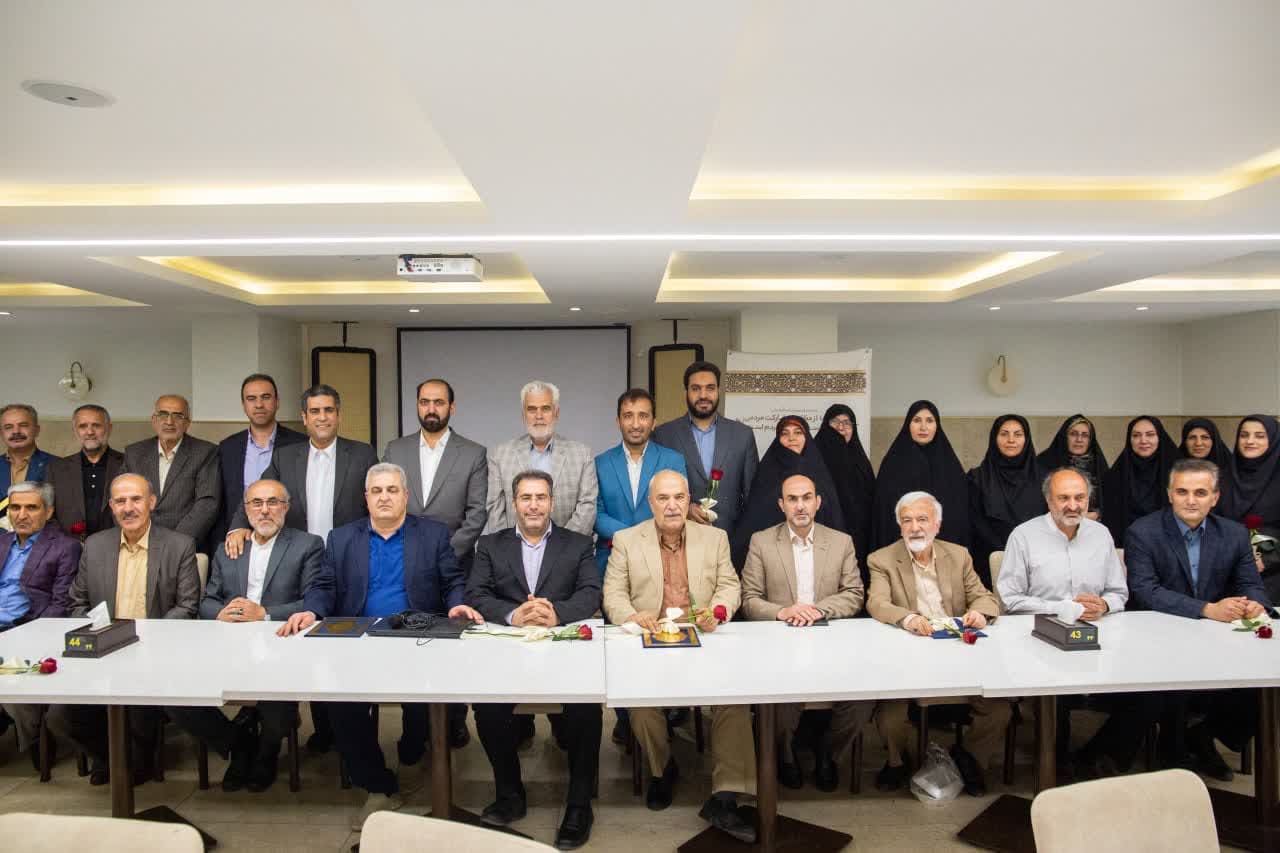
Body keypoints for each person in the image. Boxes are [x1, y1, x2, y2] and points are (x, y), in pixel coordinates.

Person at [276, 463, 483, 831]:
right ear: (366, 498)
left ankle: (412, 752)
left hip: (416, 637)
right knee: (341, 703)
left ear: (405, 496)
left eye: (392, 490)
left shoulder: (433, 535)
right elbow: (324, 584)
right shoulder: (342, 538)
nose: (384, 497)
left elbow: (452, 580)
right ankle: (377, 784)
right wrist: (312, 610)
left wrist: (456, 605)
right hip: (358, 639)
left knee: (425, 705)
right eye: (377, 491)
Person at [603, 469, 758, 844]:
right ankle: (663, 768)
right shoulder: (626, 540)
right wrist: (631, 616)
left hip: (704, 638)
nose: (672, 506)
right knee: (639, 705)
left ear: (689, 500)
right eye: (663, 498)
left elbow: (729, 586)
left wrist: (717, 612)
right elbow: (613, 594)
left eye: (679, 497)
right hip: (651, 638)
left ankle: (726, 794)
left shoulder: (715, 538)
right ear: (650, 503)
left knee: (734, 700)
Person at [223, 384, 379, 753]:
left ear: (338, 415)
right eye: (315, 411)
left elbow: (375, 501)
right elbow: (258, 492)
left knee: (342, 644)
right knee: (311, 640)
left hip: (348, 562)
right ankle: (322, 729)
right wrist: (237, 526)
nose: (322, 417)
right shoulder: (286, 455)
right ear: (304, 417)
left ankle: (347, 730)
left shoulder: (362, 454)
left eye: (329, 410)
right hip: (301, 559)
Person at [466, 470, 601, 849]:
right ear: (514, 503)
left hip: (563, 651)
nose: (534, 505)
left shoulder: (578, 544)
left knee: (586, 709)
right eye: (526, 498)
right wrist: (513, 615)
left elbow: (591, 592)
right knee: (487, 709)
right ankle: (510, 794)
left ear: (552, 502)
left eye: (541, 497)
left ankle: (579, 805)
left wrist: (556, 614)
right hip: (509, 652)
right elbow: (476, 593)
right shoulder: (490, 545)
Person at [167, 479, 325, 793]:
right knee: (175, 694)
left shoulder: (307, 545)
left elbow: (313, 602)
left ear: (286, 507)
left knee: (277, 702)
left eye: (273, 502)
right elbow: (207, 601)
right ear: (246, 508)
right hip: (229, 646)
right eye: (256, 503)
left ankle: (266, 752)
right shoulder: (228, 548)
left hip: (281, 645)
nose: (264, 510)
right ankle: (238, 743)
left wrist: (263, 613)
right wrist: (220, 612)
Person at [47, 473, 200, 785]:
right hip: (103, 650)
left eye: (136, 499)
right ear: (111, 506)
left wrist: (145, 640)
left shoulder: (179, 545)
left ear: (152, 502)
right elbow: (77, 601)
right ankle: (110, 756)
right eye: (120, 501)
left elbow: (187, 607)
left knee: (138, 708)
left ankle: (134, 762)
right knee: (60, 717)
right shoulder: (95, 545)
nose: (128, 508)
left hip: (154, 653)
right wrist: (100, 634)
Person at [1125, 459, 1272, 781]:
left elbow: (1251, 584)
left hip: (1216, 639)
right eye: (1182, 492)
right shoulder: (1143, 532)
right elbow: (1146, 591)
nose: (1191, 500)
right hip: (1159, 636)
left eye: (1200, 493)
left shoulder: (1233, 534)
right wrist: (1207, 609)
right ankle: (1173, 754)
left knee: (1261, 686)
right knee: (1175, 682)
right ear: (1170, 494)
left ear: (1215, 497)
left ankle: (1203, 735)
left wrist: (1255, 604)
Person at [866, 491, 1008, 797]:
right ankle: (898, 761)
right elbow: (877, 602)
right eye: (907, 521)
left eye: (922, 519)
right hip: (909, 653)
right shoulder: (881, 559)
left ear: (937, 524)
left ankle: (969, 757)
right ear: (899, 526)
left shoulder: (959, 555)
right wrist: (907, 619)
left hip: (957, 651)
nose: (915, 528)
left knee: (999, 710)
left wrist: (980, 613)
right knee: (890, 716)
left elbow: (984, 596)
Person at [997, 468, 1136, 777]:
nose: (1072, 506)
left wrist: (1104, 604)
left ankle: (1097, 756)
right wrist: (1063, 608)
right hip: (1040, 638)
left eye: (1079, 498)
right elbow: (1010, 599)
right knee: (1055, 688)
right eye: (1063, 498)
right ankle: (1056, 766)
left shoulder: (1101, 534)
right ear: (1049, 501)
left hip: (1099, 635)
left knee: (1142, 687)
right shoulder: (1024, 536)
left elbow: (1119, 592)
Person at [740, 473, 872, 792]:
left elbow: (855, 593)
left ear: (818, 502)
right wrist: (783, 611)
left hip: (831, 643)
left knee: (862, 702)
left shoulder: (840, 542)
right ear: (781, 505)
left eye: (806, 498)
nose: (800, 506)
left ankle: (828, 752)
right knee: (780, 703)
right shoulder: (761, 541)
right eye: (793, 499)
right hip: (781, 644)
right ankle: (785, 755)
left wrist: (819, 609)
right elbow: (749, 599)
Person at [0, 481, 80, 766]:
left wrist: (24, 635)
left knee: (9, 672)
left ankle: (35, 737)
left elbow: (61, 604)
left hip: (27, 629)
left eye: (31, 508)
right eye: (15, 507)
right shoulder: (2, 542)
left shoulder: (65, 547)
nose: (21, 515)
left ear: (48, 512)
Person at [382, 378, 487, 571]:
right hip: (400, 562)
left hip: (453, 565)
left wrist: (444, 555)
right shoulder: (395, 450)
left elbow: (477, 514)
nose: (431, 409)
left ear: (452, 407)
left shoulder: (473, 453)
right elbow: (383, 503)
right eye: (424, 402)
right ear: (417, 405)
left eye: (438, 402)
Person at [653, 361, 758, 540]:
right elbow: (655, 490)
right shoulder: (664, 435)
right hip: (678, 538)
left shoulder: (742, 435)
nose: (703, 395)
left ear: (718, 391)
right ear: (686, 392)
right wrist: (685, 508)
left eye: (710, 388)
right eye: (696, 388)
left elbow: (752, 496)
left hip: (730, 539)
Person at [485, 380, 596, 536]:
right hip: (514, 547)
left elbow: (587, 506)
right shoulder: (500, 455)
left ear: (556, 413)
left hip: (568, 547)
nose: (539, 416)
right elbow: (494, 508)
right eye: (532, 409)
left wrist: (563, 545)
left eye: (545, 408)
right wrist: (509, 545)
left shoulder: (582, 455)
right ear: (523, 414)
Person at [732, 416, 844, 570]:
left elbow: (833, 517)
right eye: (785, 433)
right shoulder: (766, 473)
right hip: (773, 560)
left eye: (798, 432)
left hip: (817, 556)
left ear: (806, 437)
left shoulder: (819, 471)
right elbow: (754, 520)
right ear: (778, 439)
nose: (792, 438)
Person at [594, 388, 687, 575]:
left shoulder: (673, 460)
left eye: (643, 416)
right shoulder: (600, 463)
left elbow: (678, 508)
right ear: (618, 421)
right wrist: (631, 538)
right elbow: (595, 513)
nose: (635, 424)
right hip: (612, 560)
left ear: (653, 423)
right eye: (628, 416)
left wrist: (644, 539)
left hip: (661, 559)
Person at [213, 374, 306, 547]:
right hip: (240, 541)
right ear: (243, 405)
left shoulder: (300, 444)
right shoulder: (227, 447)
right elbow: (221, 504)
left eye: (266, 397)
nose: (259, 404)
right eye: (251, 399)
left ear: (277, 402)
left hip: (288, 540)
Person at [870, 401, 969, 552]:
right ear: (908, 425)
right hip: (899, 550)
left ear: (937, 425)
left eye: (929, 421)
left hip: (944, 551)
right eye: (917, 420)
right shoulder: (892, 464)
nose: (923, 427)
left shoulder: (950, 466)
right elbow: (883, 514)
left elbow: (959, 514)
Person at [123, 394, 220, 547]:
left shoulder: (205, 452)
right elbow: (121, 498)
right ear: (154, 420)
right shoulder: (134, 453)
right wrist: (136, 537)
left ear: (187, 423)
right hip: (138, 543)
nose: (169, 422)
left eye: (178, 416)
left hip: (184, 545)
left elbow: (206, 504)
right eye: (163, 414)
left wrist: (174, 543)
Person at [966, 415, 1045, 586]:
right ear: (994, 438)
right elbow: (974, 521)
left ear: (1026, 439)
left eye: (1018, 434)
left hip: (1036, 560)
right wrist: (1004, 551)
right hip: (989, 561)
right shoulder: (977, 478)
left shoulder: (1045, 478)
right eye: (1004, 434)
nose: (1011, 440)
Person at [1219, 415, 1280, 601]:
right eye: (1244, 435)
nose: (1250, 441)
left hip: (1272, 572)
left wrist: (1268, 558)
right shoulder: (1222, 477)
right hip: (1225, 568)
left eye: (1259, 436)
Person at [815, 404, 875, 581]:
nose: (841, 427)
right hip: (825, 533)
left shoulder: (860, 460)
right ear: (826, 425)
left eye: (847, 423)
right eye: (835, 422)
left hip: (858, 536)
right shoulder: (814, 458)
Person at [46, 404, 126, 538]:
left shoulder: (128, 463)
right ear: (75, 430)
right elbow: (48, 514)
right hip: (69, 546)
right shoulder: (56, 469)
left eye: (96, 425)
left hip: (118, 544)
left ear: (109, 428)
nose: (90, 432)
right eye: (82, 426)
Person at [1101, 415, 1179, 543]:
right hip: (1127, 544)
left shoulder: (1178, 472)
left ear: (1160, 437)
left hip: (1170, 544)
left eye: (1150, 435)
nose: (1143, 440)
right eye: (1136, 435)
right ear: (1129, 440)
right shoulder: (1115, 475)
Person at [1037, 414, 1108, 519]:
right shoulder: (1044, 463)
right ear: (1064, 436)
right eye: (1073, 434)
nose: (1079, 439)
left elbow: (1110, 502)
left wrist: (1098, 514)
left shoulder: (1099, 465)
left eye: (1085, 435)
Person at [0, 404, 54, 493]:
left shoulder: (58, 465)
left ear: (36, 430)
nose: (16, 431)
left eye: (23, 425)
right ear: (1, 433)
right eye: (8, 427)